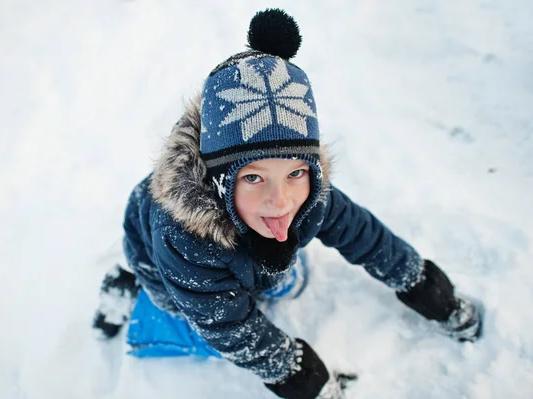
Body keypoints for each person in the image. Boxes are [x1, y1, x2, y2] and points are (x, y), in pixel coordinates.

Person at [91, 9, 482, 399]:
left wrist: (425, 287)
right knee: (194, 324)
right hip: (163, 266)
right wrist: (298, 376)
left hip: (237, 256)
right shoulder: (184, 236)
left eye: (295, 173)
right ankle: (127, 287)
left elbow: (364, 235)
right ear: (219, 180)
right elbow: (231, 330)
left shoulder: (308, 196)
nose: (280, 201)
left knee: (282, 283)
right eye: (254, 177)